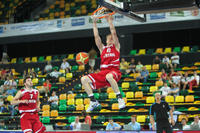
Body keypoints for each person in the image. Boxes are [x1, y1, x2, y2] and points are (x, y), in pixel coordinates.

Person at [81, 15, 125, 112]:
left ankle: (120, 99)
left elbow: (113, 32)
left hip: (114, 72)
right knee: (83, 79)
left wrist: (110, 21)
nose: (111, 39)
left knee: (109, 76)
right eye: (109, 38)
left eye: (112, 38)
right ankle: (93, 101)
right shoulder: (102, 49)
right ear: (106, 40)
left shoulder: (116, 47)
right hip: (103, 73)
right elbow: (96, 36)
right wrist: (94, 23)